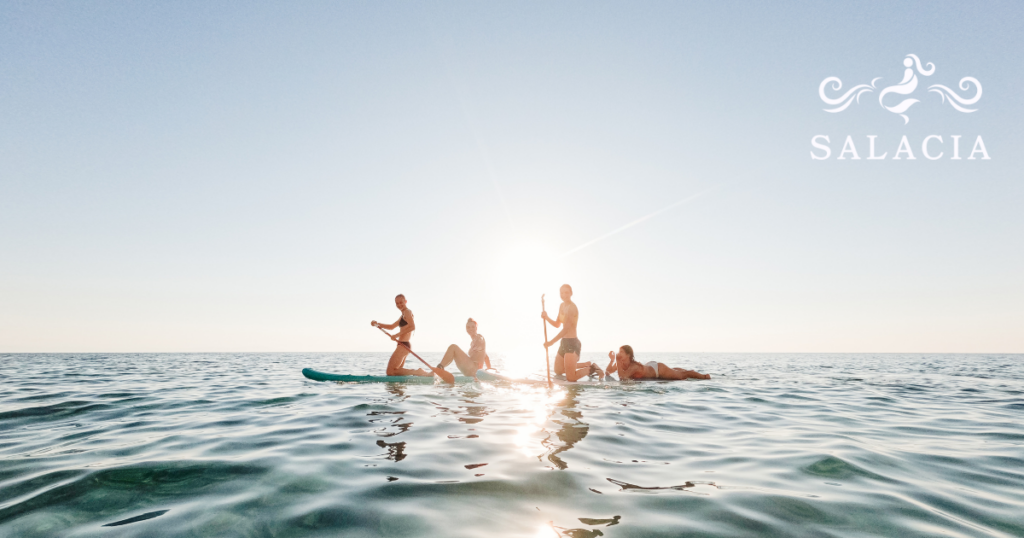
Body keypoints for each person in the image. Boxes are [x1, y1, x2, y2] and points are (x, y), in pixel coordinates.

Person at [542, 284, 601, 382]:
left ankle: (592, 368)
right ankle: (586, 364)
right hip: (564, 342)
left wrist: (551, 342)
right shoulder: (562, 306)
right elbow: (557, 324)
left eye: (566, 292)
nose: (564, 295)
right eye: (561, 292)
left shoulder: (572, 308)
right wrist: (546, 317)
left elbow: (566, 329)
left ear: (571, 293)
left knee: (571, 378)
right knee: (558, 370)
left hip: (572, 344)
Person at [371, 294, 431, 377]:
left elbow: (412, 326)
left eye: (401, 302)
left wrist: (396, 335)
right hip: (403, 345)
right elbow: (391, 326)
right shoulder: (402, 315)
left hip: (403, 345)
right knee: (397, 372)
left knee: (390, 371)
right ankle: (401, 387)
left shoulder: (407, 312)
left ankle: (418, 372)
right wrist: (377, 324)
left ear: (405, 302)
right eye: (397, 303)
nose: (399, 305)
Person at [604, 345, 710, 380]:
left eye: (621, 352)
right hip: (649, 366)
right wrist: (612, 360)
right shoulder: (620, 363)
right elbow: (608, 371)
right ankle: (678, 370)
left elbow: (623, 377)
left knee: (682, 375)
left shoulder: (633, 366)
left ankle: (705, 376)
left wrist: (616, 361)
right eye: (619, 352)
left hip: (658, 369)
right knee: (675, 371)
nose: (619, 354)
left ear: (628, 355)